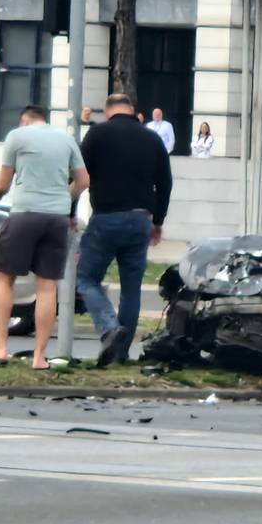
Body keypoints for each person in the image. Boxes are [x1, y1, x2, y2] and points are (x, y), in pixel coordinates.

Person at [0, 105, 90, 370]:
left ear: (24, 120)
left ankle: (0, 347)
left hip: (24, 213)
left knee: (3, 277)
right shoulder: (66, 139)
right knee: (47, 287)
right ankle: (40, 357)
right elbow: (84, 180)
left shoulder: (16, 137)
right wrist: (65, 197)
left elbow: (3, 182)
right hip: (55, 218)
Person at [78, 94, 173, 366]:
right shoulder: (152, 139)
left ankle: (109, 327)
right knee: (131, 290)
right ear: (132, 111)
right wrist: (158, 221)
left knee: (87, 278)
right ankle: (120, 354)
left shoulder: (97, 135)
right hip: (140, 221)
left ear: (109, 112)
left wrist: (70, 212)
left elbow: (80, 176)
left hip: (106, 218)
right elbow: (165, 183)